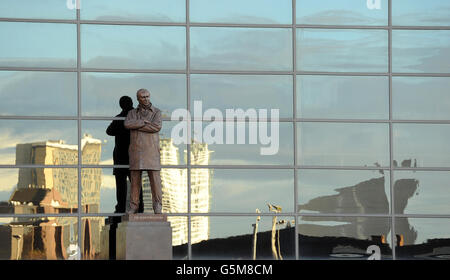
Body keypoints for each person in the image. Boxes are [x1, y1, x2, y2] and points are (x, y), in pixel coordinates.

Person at [124, 88, 163, 214]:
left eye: (147, 96)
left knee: (155, 181)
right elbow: (127, 124)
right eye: (143, 97)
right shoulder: (132, 113)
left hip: (151, 151)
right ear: (138, 99)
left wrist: (138, 126)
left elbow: (156, 127)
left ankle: (157, 206)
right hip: (136, 151)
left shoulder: (156, 112)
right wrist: (142, 122)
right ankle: (133, 206)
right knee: (135, 181)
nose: (146, 99)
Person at [106, 96, 143, 213]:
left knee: (121, 185)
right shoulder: (136, 117)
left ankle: (121, 207)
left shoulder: (120, 118)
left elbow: (109, 131)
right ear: (131, 103)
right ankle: (139, 206)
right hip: (133, 156)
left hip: (121, 157)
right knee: (135, 184)